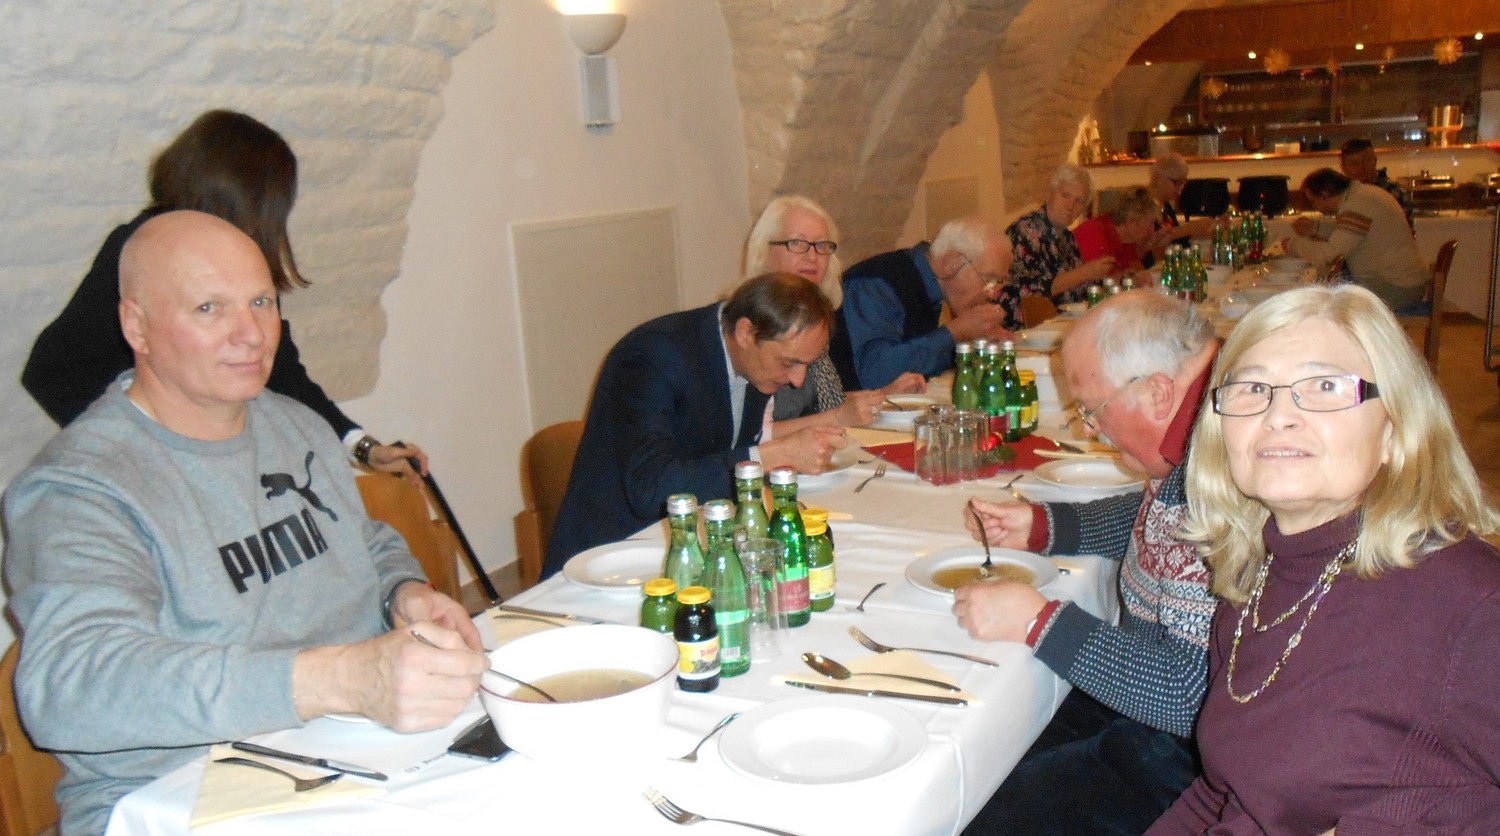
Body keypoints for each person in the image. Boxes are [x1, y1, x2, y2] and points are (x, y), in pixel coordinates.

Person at [3, 211, 486, 836]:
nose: (252, 334)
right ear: (136, 326)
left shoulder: (296, 426)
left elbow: (363, 543)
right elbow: (73, 685)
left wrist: (403, 593)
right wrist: (340, 679)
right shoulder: (79, 488)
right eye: (209, 308)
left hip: (352, 756)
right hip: (179, 798)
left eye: (262, 302)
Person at [1150, 284, 1500, 833]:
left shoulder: (1472, 605)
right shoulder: (1254, 578)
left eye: (1325, 386)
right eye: (1252, 388)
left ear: (1395, 431)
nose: (1278, 415)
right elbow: (1223, 792)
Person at [19, 109, 426, 482]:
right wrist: (145, 451)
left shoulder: (240, 260)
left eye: (259, 303)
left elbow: (282, 370)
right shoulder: (142, 251)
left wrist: (361, 445)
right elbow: (52, 370)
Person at [955, 290, 1219, 834]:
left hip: (1191, 761)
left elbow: (1190, 697)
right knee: (989, 741)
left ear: (1158, 392)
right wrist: (1046, 526)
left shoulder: (1222, 468)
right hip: (1154, 710)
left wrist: (1038, 620)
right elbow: (1161, 521)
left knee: (975, 805)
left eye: (1092, 411)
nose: (1088, 430)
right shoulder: (1202, 422)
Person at [542, 272, 849, 578]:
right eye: (789, 363)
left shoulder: (753, 361)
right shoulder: (650, 357)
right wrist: (767, 457)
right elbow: (651, 489)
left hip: (696, 544)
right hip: (611, 559)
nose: (798, 380)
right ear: (745, 333)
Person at [742, 195, 925, 427]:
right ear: (763, 251)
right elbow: (753, 434)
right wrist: (837, 418)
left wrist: (882, 395)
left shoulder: (813, 318)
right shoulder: (751, 324)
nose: (812, 256)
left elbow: (820, 404)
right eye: (797, 243)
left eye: (821, 246)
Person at [830, 215, 1014, 391]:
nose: (993, 293)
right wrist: (954, 332)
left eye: (998, 283)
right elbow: (875, 375)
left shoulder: (929, 283)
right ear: (952, 263)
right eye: (988, 279)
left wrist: (972, 344)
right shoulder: (876, 284)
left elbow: (919, 359)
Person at [1287, 167, 1428, 312]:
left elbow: (1331, 254)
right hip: (1405, 282)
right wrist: (1316, 228)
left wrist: (1290, 245)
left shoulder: (1357, 205)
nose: (1315, 207)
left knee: (1330, 307)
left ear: (1324, 195)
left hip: (1395, 287)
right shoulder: (1363, 194)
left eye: (1313, 201)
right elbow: (1353, 232)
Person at [1002, 163, 1114, 312]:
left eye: (1079, 201)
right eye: (1065, 195)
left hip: (1066, 319)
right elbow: (1029, 294)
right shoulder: (1025, 231)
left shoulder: (1067, 238)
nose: (1070, 206)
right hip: (1031, 323)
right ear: (1049, 194)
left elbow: (1083, 289)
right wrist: (1083, 273)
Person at [1143, 152, 1221, 262]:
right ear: (1158, 178)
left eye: (1183, 183)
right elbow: (1151, 246)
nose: (1181, 187)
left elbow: (1178, 238)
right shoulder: (1145, 206)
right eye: (1177, 182)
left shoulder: (1166, 206)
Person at [1072, 186, 1159, 277]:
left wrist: (1150, 243)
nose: (1152, 230)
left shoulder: (1123, 240)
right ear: (1132, 221)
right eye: (1150, 224)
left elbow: (1131, 267)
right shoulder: (1094, 233)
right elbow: (1098, 281)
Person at [1339, 137, 1413, 230]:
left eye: (1367, 160)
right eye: (1354, 164)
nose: (1362, 167)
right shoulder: (1343, 193)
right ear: (1344, 168)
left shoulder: (1393, 191)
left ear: (1375, 160)